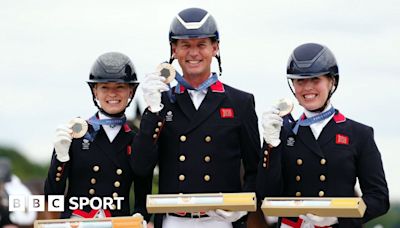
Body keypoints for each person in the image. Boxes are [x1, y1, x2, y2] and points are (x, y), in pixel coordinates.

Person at [132, 7, 261, 228]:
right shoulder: (161, 103)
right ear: (174, 50)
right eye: (185, 45)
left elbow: (255, 169)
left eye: (201, 44)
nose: (194, 53)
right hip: (174, 220)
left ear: (215, 47)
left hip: (222, 221)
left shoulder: (240, 102)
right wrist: (153, 112)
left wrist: (242, 209)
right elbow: (140, 166)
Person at [256, 43, 389, 227]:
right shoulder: (283, 133)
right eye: (300, 81)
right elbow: (266, 192)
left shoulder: (359, 134)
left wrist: (339, 217)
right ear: (293, 85)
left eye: (315, 79)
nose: (307, 88)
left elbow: (379, 198)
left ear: (331, 81)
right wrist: (270, 144)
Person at [44, 52, 152, 221]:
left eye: (120, 87)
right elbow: (52, 197)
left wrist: (140, 217)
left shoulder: (136, 140)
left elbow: (142, 197)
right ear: (95, 91)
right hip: (77, 221)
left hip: (118, 223)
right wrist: (60, 158)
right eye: (104, 87)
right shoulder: (76, 134)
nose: (112, 94)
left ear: (130, 91)